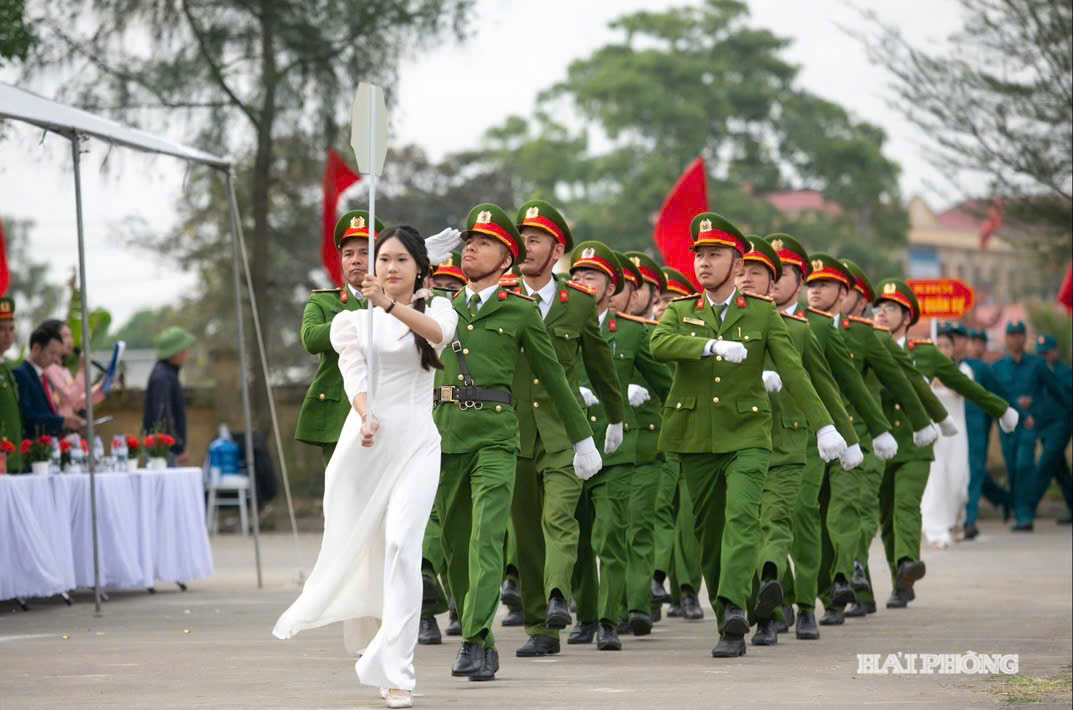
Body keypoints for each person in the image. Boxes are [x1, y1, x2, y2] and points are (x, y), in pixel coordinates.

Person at [274, 225, 457, 708]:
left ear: (419, 268)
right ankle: (374, 637)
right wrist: (364, 412)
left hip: (418, 445)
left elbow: (440, 337)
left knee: (402, 546)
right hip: (367, 446)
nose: (390, 267)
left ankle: (397, 671)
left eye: (401, 260)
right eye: (383, 260)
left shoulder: (438, 310)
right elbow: (354, 376)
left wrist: (389, 304)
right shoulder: (351, 322)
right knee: (367, 551)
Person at [650, 212, 846, 658]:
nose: (703, 263)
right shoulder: (681, 310)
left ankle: (735, 607)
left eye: (714, 254)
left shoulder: (761, 313)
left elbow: (794, 372)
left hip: (748, 436)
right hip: (694, 437)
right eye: (699, 255)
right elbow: (657, 345)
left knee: (741, 520)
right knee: (709, 533)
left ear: (737, 264)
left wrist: (825, 425)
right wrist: (708, 346)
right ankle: (729, 614)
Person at [432, 203, 599, 683]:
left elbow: (557, 381)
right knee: (454, 544)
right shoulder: (440, 307)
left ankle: (473, 639)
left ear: (506, 259)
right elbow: (378, 306)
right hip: (445, 434)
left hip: (497, 437)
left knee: (487, 538)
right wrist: (417, 258)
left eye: (484, 243)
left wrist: (583, 439)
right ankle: (480, 636)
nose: (471, 249)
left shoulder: (520, 312)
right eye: (469, 241)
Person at [507, 202, 626, 659]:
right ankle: (540, 629)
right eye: (521, 238)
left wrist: (615, 416)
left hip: (564, 432)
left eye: (535, 239)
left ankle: (558, 595)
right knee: (526, 535)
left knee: (559, 517)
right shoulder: (502, 297)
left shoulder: (576, 303)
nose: (525, 246)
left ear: (557, 250)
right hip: (514, 432)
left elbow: (600, 364)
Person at [734, 237, 856, 646]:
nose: (746, 279)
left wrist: (846, 437)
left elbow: (826, 387)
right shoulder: (725, 325)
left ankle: (805, 604)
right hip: (742, 440)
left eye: (761, 273)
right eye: (742, 271)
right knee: (752, 526)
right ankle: (771, 605)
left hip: (795, 442)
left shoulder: (805, 329)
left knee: (799, 521)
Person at [872, 280, 1016, 607]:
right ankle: (899, 577)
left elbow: (965, 385)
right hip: (878, 445)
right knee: (887, 518)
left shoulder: (925, 353)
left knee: (906, 505)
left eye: (891, 308)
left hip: (915, 445)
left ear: (907, 317)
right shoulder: (867, 345)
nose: (882, 313)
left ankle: (907, 564)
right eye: (879, 308)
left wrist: (1001, 409)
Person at [568, 246, 667, 650]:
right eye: (577, 275)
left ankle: (609, 618)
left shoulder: (631, 332)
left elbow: (668, 385)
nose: (582, 283)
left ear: (611, 288)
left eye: (592, 277)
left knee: (610, 534)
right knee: (575, 538)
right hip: (569, 446)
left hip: (615, 451)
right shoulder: (556, 325)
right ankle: (586, 614)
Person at [992, 321, 1067, 531]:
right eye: (1012, 335)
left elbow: (1056, 390)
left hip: (1028, 424)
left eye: (1019, 334)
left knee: (1024, 465)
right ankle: (1018, 511)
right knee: (1012, 468)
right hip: (1007, 425)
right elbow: (991, 395)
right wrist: (1014, 402)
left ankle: (1025, 516)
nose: (1016, 339)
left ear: (1025, 338)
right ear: (1006, 339)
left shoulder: (1037, 364)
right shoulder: (998, 367)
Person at [919, 331, 972, 548]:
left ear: (953, 349)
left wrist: (945, 382)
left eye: (946, 346)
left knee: (958, 481)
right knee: (936, 481)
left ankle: (953, 522)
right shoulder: (924, 370)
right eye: (938, 346)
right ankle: (935, 530)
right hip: (936, 434)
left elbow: (964, 392)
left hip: (957, 434)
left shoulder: (963, 370)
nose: (942, 350)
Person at [961, 329, 1011, 539]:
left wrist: (1017, 414)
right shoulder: (954, 365)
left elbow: (1000, 396)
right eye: (973, 341)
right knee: (973, 475)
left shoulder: (983, 369)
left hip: (977, 430)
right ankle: (1004, 499)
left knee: (975, 473)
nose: (977, 346)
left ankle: (969, 521)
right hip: (956, 429)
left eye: (980, 342)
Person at [14, 322, 85, 438]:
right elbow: (27, 417)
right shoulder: (21, 374)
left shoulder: (43, 376)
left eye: (58, 355)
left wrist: (66, 421)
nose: (56, 360)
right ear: (36, 348)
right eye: (52, 353)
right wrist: (63, 421)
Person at [1031, 335, 1072, 523]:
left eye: (1046, 352)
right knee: (1060, 470)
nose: (1044, 357)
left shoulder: (1067, 372)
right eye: (1040, 354)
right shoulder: (1036, 372)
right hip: (1044, 426)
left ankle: (1026, 507)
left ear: (1055, 351)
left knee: (1046, 464)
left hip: (1061, 425)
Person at [143, 326, 196, 464]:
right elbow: (163, 417)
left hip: (166, 450)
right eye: (183, 350)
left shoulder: (167, 374)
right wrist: (178, 448)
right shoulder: (163, 377)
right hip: (162, 452)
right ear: (175, 353)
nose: (186, 353)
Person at [39, 319, 105, 418]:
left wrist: (102, 386)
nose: (70, 341)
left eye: (70, 336)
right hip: (61, 425)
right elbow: (70, 397)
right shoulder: (50, 368)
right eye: (65, 336)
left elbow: (78, 400)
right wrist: (81, 370)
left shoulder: (62, 368)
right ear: (52, 340)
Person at [0, 297, 22, 470]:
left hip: (12, 460)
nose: (8, 335)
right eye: (1, 329)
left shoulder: (5, 368)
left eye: (11, 328)